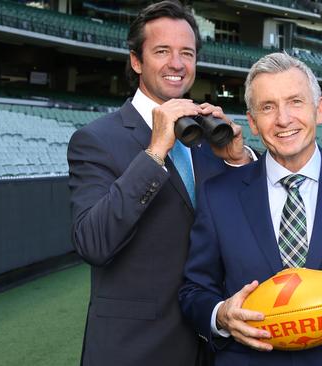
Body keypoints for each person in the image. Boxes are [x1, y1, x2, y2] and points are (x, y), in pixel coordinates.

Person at [179, 52, 322, 366]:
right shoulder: (218, 195)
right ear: (254, 122)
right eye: (268, 107)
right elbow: (194, 291)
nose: (283, 119)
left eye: (295, 101)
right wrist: (221, 315)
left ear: (319, 109)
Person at [67, 1, 255, 365]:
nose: (177, 63)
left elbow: (243, 227)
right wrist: (155, 152)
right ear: (136, 61)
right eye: (162, 51)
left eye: (187, 52)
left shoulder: (206, 135)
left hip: (213, 343)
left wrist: (237, 160)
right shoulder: (95, 139)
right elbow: (92, 241)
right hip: (135, 349)